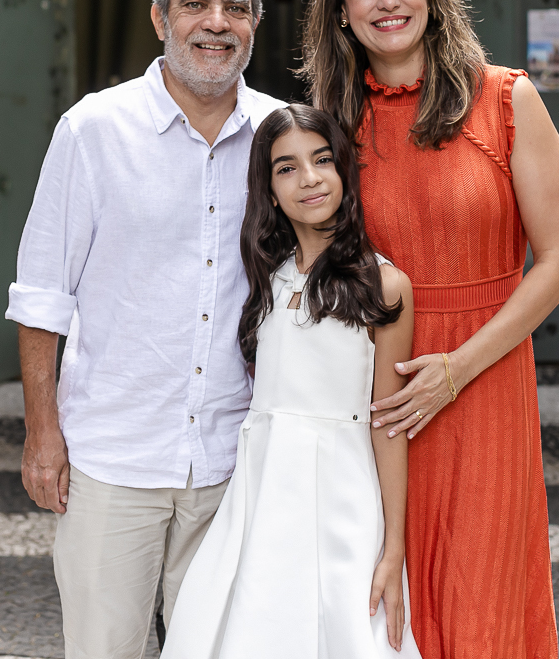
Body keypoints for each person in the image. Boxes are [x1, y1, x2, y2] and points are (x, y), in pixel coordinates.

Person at [299, 0, 559, 659]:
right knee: (383, 605)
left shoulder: (506, 99)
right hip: (374, 391)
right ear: (341, 9)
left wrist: (456, 369)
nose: (388, 1)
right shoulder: (328, 128)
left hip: (483, 381)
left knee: (480, 594)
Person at [5, 0, 284, 659]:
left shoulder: (285, 138)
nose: (216, 22)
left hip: (234, 460)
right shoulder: (93, 129)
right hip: (113, 456)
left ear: (255, 24)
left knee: (222, 649)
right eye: (195, 4)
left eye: (236, 8)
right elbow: (42, 295)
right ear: (160, 18)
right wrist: (42, 433)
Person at [160, 103, 420, 658]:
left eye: (322, 160)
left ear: (343, 170)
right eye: (287, 167)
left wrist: (393, 546)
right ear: (270, 191)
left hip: (342, 492)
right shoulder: (265, 281)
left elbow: (388, 423)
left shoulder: (384, 285)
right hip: (260, 491)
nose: (309, 178)